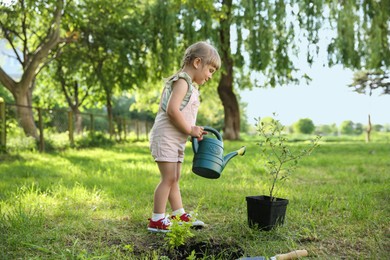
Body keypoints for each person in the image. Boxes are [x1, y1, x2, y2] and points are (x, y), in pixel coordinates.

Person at [148, 41, 221, 232]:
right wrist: (190, 130)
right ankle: (157, 219)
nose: (210, 76)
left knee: (175, 177)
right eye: (211, 70)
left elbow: (183, 113)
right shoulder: (182, 82)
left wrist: (192, 129)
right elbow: (172, 111)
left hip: (176, 139)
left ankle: (178, 214)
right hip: (166, 138)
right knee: (168, 178)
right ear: (197, 63)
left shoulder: (191, 86)